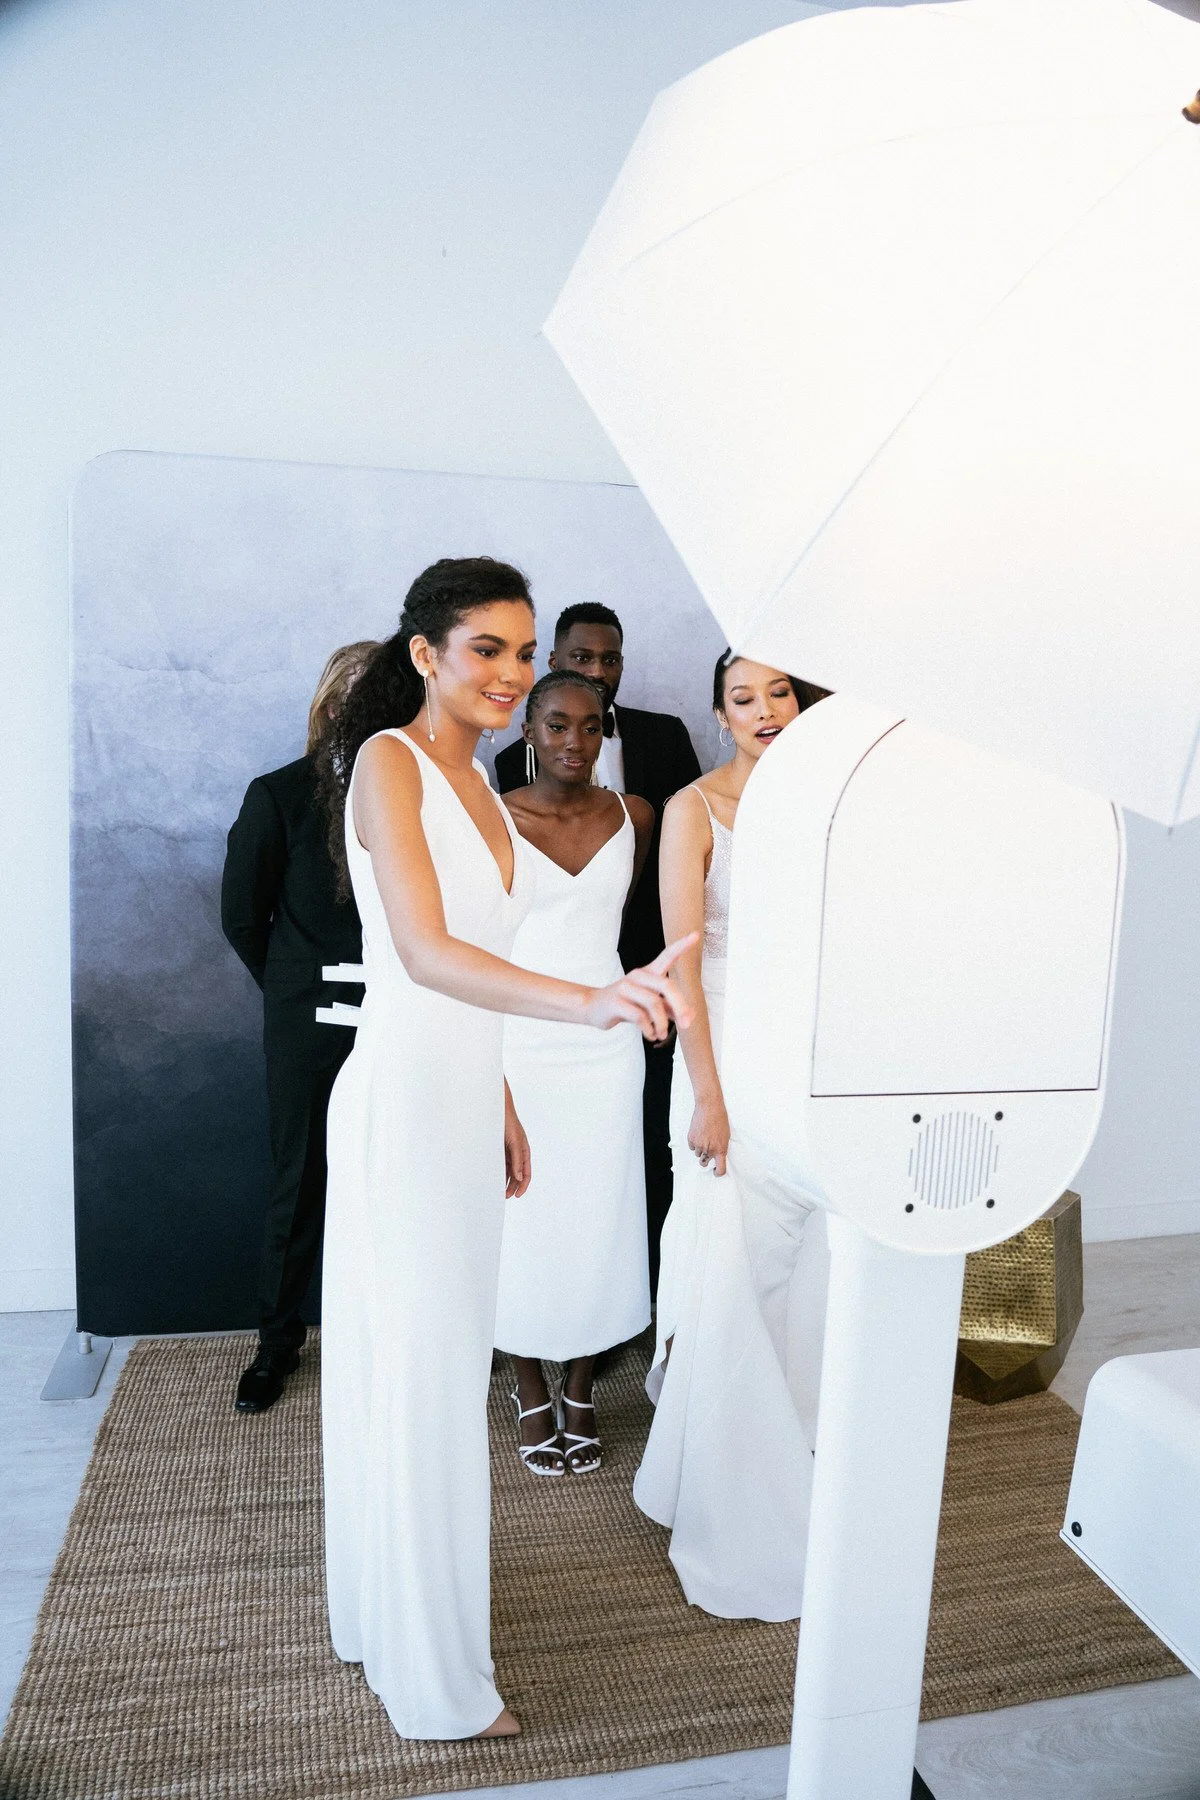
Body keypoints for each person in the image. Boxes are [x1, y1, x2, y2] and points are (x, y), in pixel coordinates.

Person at [316, 558, 694, 1742]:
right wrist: (587, 1004)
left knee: (426, 1373)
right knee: (422, 1382)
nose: (514, 673)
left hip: (463, 1093)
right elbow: (425, 955)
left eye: (526, 651)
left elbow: (465, 983)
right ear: (425, 654)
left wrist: (502, 1102)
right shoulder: (389, 763)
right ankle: (429, 1680)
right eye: (488, 648)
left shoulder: (480, 784)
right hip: (399, 1106)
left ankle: (396, 1615)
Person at [633, 652, 829, 1622]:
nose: (765, 711)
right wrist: (706, 1097)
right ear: (719, 714)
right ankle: (722, 1488)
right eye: (745, 698)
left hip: (807, 1065)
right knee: (729, 1264)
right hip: (723, 1057)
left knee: (798, 1271)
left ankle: (792, 1443)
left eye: (779, 693)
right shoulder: (692, 807)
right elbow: (677, 968)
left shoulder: (829, 804)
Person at [495, 602, 701, 1292]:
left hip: (630, 996)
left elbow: (663, 870)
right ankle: (529, 1340)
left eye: (609, 659)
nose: (598, 671)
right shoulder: (499, 785)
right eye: (581, 658)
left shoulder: (658, 757)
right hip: (528, 1016)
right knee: (527, 1188)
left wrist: (652, 984)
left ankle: (607, 1329)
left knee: (617, 1180)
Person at [494, 671, 655, 1477]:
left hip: (607, 1048)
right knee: (524, 1217)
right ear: (527, 730)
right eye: (556, 724)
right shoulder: (495, 821)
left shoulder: (638, 817)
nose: (572, 740)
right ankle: (529, 1387)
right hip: (521, 1043)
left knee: (602, 1213)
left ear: (605, 733)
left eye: (590, 727)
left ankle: (584, 1389)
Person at [221, 638, 377, 1415]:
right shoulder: (277, 794)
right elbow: (243, 918)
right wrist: (294, 988)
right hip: (308, 1025)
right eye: (348, 692)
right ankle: (277, 1341)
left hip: (401, 1018)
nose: (360, 705)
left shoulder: (414, 793)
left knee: (400, 1173)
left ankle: (397, 1330)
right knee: (300, 1179)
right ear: (324, 703)